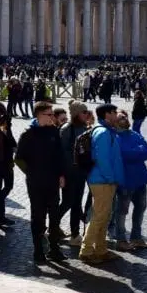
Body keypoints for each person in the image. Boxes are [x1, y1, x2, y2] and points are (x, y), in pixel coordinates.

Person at [16, 102, 69, 264]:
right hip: (36, 183)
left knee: (54, 217)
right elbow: (19, 159)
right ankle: (38, 250)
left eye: (52, 114)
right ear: (39, 115)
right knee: (38, 217)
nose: (53, 117)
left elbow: (60, 156)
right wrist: (31, 173)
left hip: (53, 182)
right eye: (49, 114)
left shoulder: (54, 131)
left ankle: (54, 249)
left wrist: (61, 174)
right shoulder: (28, 134)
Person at [79, 103, 124, 264]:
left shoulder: (106, 131)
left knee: (104, 216)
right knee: (99, 216)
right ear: (107, 114)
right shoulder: (104, 133)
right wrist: (111, 178)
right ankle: (86, 251)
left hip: (103, 179)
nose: (117, 115)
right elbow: (102, 159)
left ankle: (100, 249)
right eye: (114, 113)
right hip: (102, 180)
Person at [112, 111, 147, 251]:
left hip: (140, 179)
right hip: (125, 180)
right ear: (115, 122)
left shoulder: (134, 134)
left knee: (141, 208)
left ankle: (136, 237)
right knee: (122, 211)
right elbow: (124, 154)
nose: (125, 119)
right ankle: (121, 239)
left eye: (125, 117)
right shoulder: (115, 137)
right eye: (121, 118)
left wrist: (135, 152)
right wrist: (138, 152)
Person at [55, 101, 90, 246]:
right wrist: (62, 174)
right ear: (76, 113)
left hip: (81, 172)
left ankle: (75, 234)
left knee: (77, 204)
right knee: (68, 202)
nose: (86, 114)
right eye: (84, 112)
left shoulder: (84, 128)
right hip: (69, 173)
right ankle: (51, 225)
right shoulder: (66, 129)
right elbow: (61, 153)